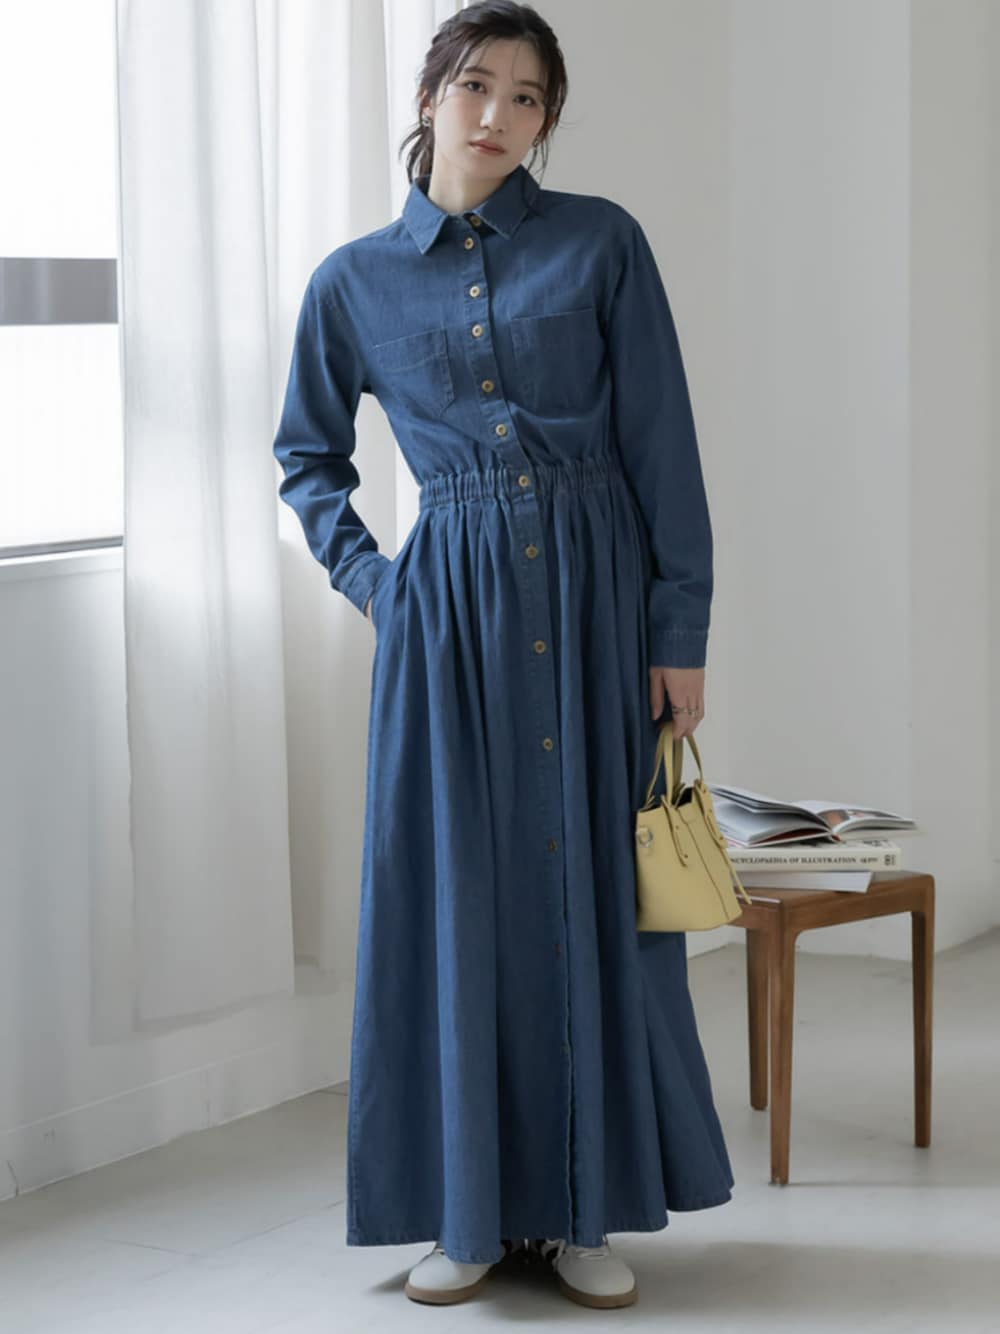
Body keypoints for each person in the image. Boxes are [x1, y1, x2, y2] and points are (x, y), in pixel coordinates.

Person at [272, 0, 733, 1311]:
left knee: (596, 892)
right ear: (430, 96)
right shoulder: (352, 281)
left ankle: (586, 1209)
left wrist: (679, 631)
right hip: (450, 627)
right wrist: (381, 585)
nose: (498, 114)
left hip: (594, 603)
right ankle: (467, 1214)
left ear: (546, 120)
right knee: (457, 903)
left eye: (528, 97)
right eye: (477, 85)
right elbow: (307, 457)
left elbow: (662, 445)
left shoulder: (602, 243)